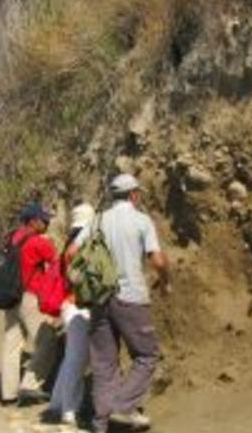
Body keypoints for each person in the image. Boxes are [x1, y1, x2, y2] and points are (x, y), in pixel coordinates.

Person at [67, 174, 170, 433]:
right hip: (131, 297)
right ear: (134, 194)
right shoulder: (141, 220)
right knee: (147, 355)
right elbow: (157, 261)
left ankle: (102, 425)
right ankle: (122, 408)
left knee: (104, 363)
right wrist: (166, 280)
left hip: (100, 299)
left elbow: (70, 253)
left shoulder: (97, 220)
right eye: (139, 193)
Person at [0, 202, 60, 405]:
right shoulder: (39, 242)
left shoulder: (11, 237)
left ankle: (8, 394)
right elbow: (58, 262)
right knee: (47, 341)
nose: (48, 222)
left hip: (10, 297)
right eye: (45, 219)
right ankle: (30, 385)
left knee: (12, 344)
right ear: (33, 221)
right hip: (29, 298)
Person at [46, 203, 95, 426]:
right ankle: (69, 409)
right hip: (80, 307)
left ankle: (58, 403)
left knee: (71, 358)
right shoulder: (84, 244)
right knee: (78, 358)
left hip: (68, 306)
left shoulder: (69, 244)